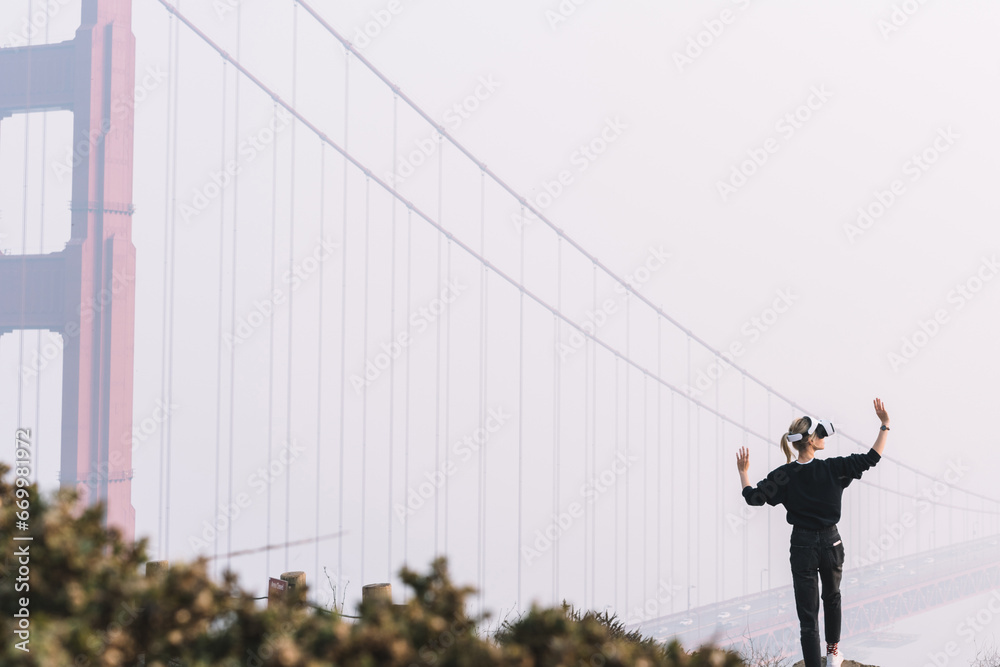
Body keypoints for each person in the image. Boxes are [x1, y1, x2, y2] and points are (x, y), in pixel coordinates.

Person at [736, 398, 890, 667]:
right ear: (809, 441)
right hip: (831, 541)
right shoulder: (833, 468)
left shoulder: (783, 475)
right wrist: (885, 425)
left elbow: (753, 498)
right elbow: (871, 458)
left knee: (807, 615)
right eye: (820, 434)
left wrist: (744, 473)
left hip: (802, 545)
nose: (823, 438)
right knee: (832, 598)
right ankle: (832, 655)